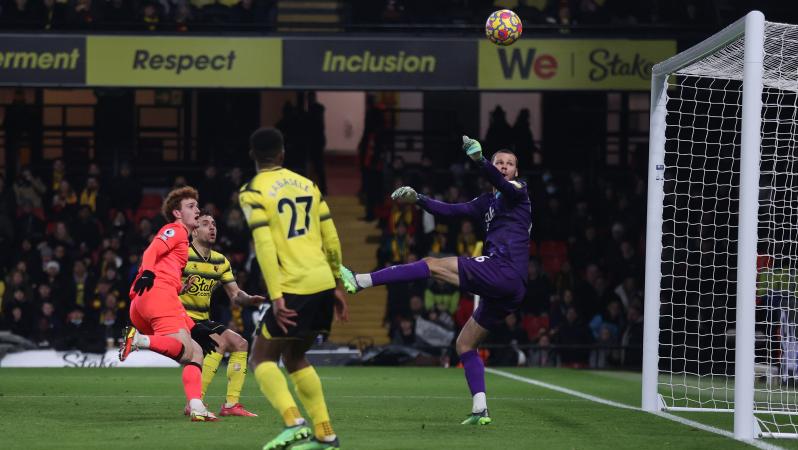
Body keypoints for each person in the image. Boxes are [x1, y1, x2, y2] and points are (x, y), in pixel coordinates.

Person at [340, 136, 532, 426]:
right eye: (499, 163)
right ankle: (481, 408)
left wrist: (480, 161)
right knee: (465, 345)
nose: (504, 167)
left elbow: (503, 186)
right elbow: (452, 211)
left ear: (516, 171)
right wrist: (418, 199)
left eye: (509, 164)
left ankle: (360, 280)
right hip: (509, 286)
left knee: (431, 264)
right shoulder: (487, 201)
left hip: (503, 270)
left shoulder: (519, 190)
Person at [239, 127, 349, 450]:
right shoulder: (310, 186)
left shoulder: (253, 191)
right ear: (283, 153)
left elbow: (265, 246)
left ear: (253, 156)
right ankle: (325, 434)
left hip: (293, 285)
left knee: (260, 358)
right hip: (322, 283)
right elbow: (332, 241)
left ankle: (294, 422)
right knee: (295, 355)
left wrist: (276, 296)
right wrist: (338, 285)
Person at [118, 186, 220, 422]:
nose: (197, 210)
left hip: (150, 300)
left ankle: (196, 406)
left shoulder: (183, 242)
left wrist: (179, 288)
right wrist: (148, 273)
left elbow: (165, 268)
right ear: (177, 213)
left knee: (196, 351)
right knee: (185, 351)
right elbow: (151, 250)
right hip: (156, 293)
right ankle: (138, 340)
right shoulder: (175, 230)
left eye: (197, 205)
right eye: (191, 206)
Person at [179, 212, 264, 417]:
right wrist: (179, 287)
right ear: (194, 230)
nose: (212, 228)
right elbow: (162, 285)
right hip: (180, 318)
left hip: (202, 319)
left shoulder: (220, 261)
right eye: (205, 224)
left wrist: (248, 299)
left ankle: (231, 405)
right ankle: (195, 401)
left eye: (214, 224)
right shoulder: (181, 255)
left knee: (240, 343)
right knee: (219, 342)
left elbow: (235, 295)